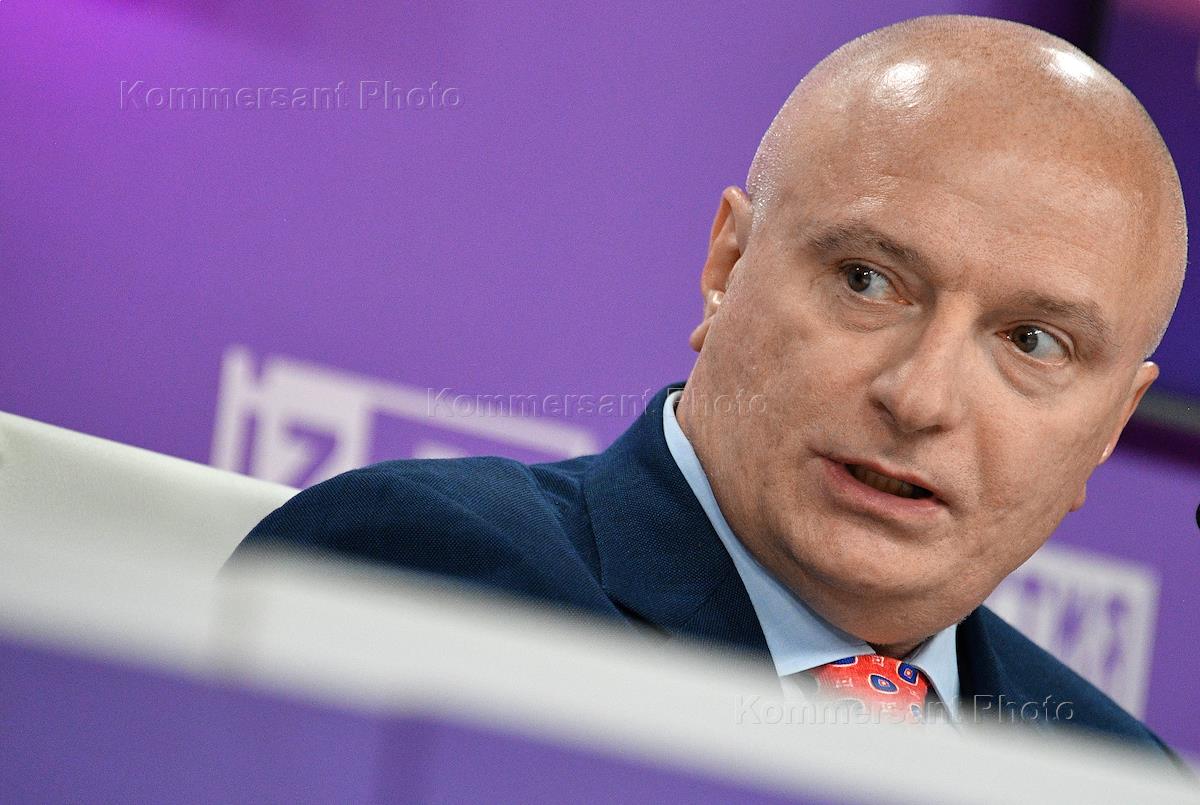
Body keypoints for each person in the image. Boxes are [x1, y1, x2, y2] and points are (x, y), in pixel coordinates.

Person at [229, 14, 1187, 758]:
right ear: (727, 267)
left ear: (1110, 425)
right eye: (868, 280)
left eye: (1032, 341)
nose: (921, 397)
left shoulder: (1108, 774)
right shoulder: (430, 578)